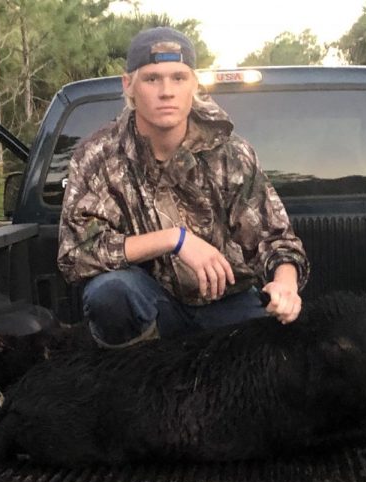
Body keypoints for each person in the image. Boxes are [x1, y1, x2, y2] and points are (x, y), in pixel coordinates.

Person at [57, 26, 309, 348]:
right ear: (128, 85)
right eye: (152, 78)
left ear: (193, 83)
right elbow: (76, 253)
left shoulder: (230, 153)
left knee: (283, 346)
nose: (166, 91)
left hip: (227, 303)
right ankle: (136, 380)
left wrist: (284, 285)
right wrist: (174, 240)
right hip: (153, 307)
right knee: (110, 294)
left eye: (178, 77)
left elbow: (276, 240)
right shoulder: (99, 156)